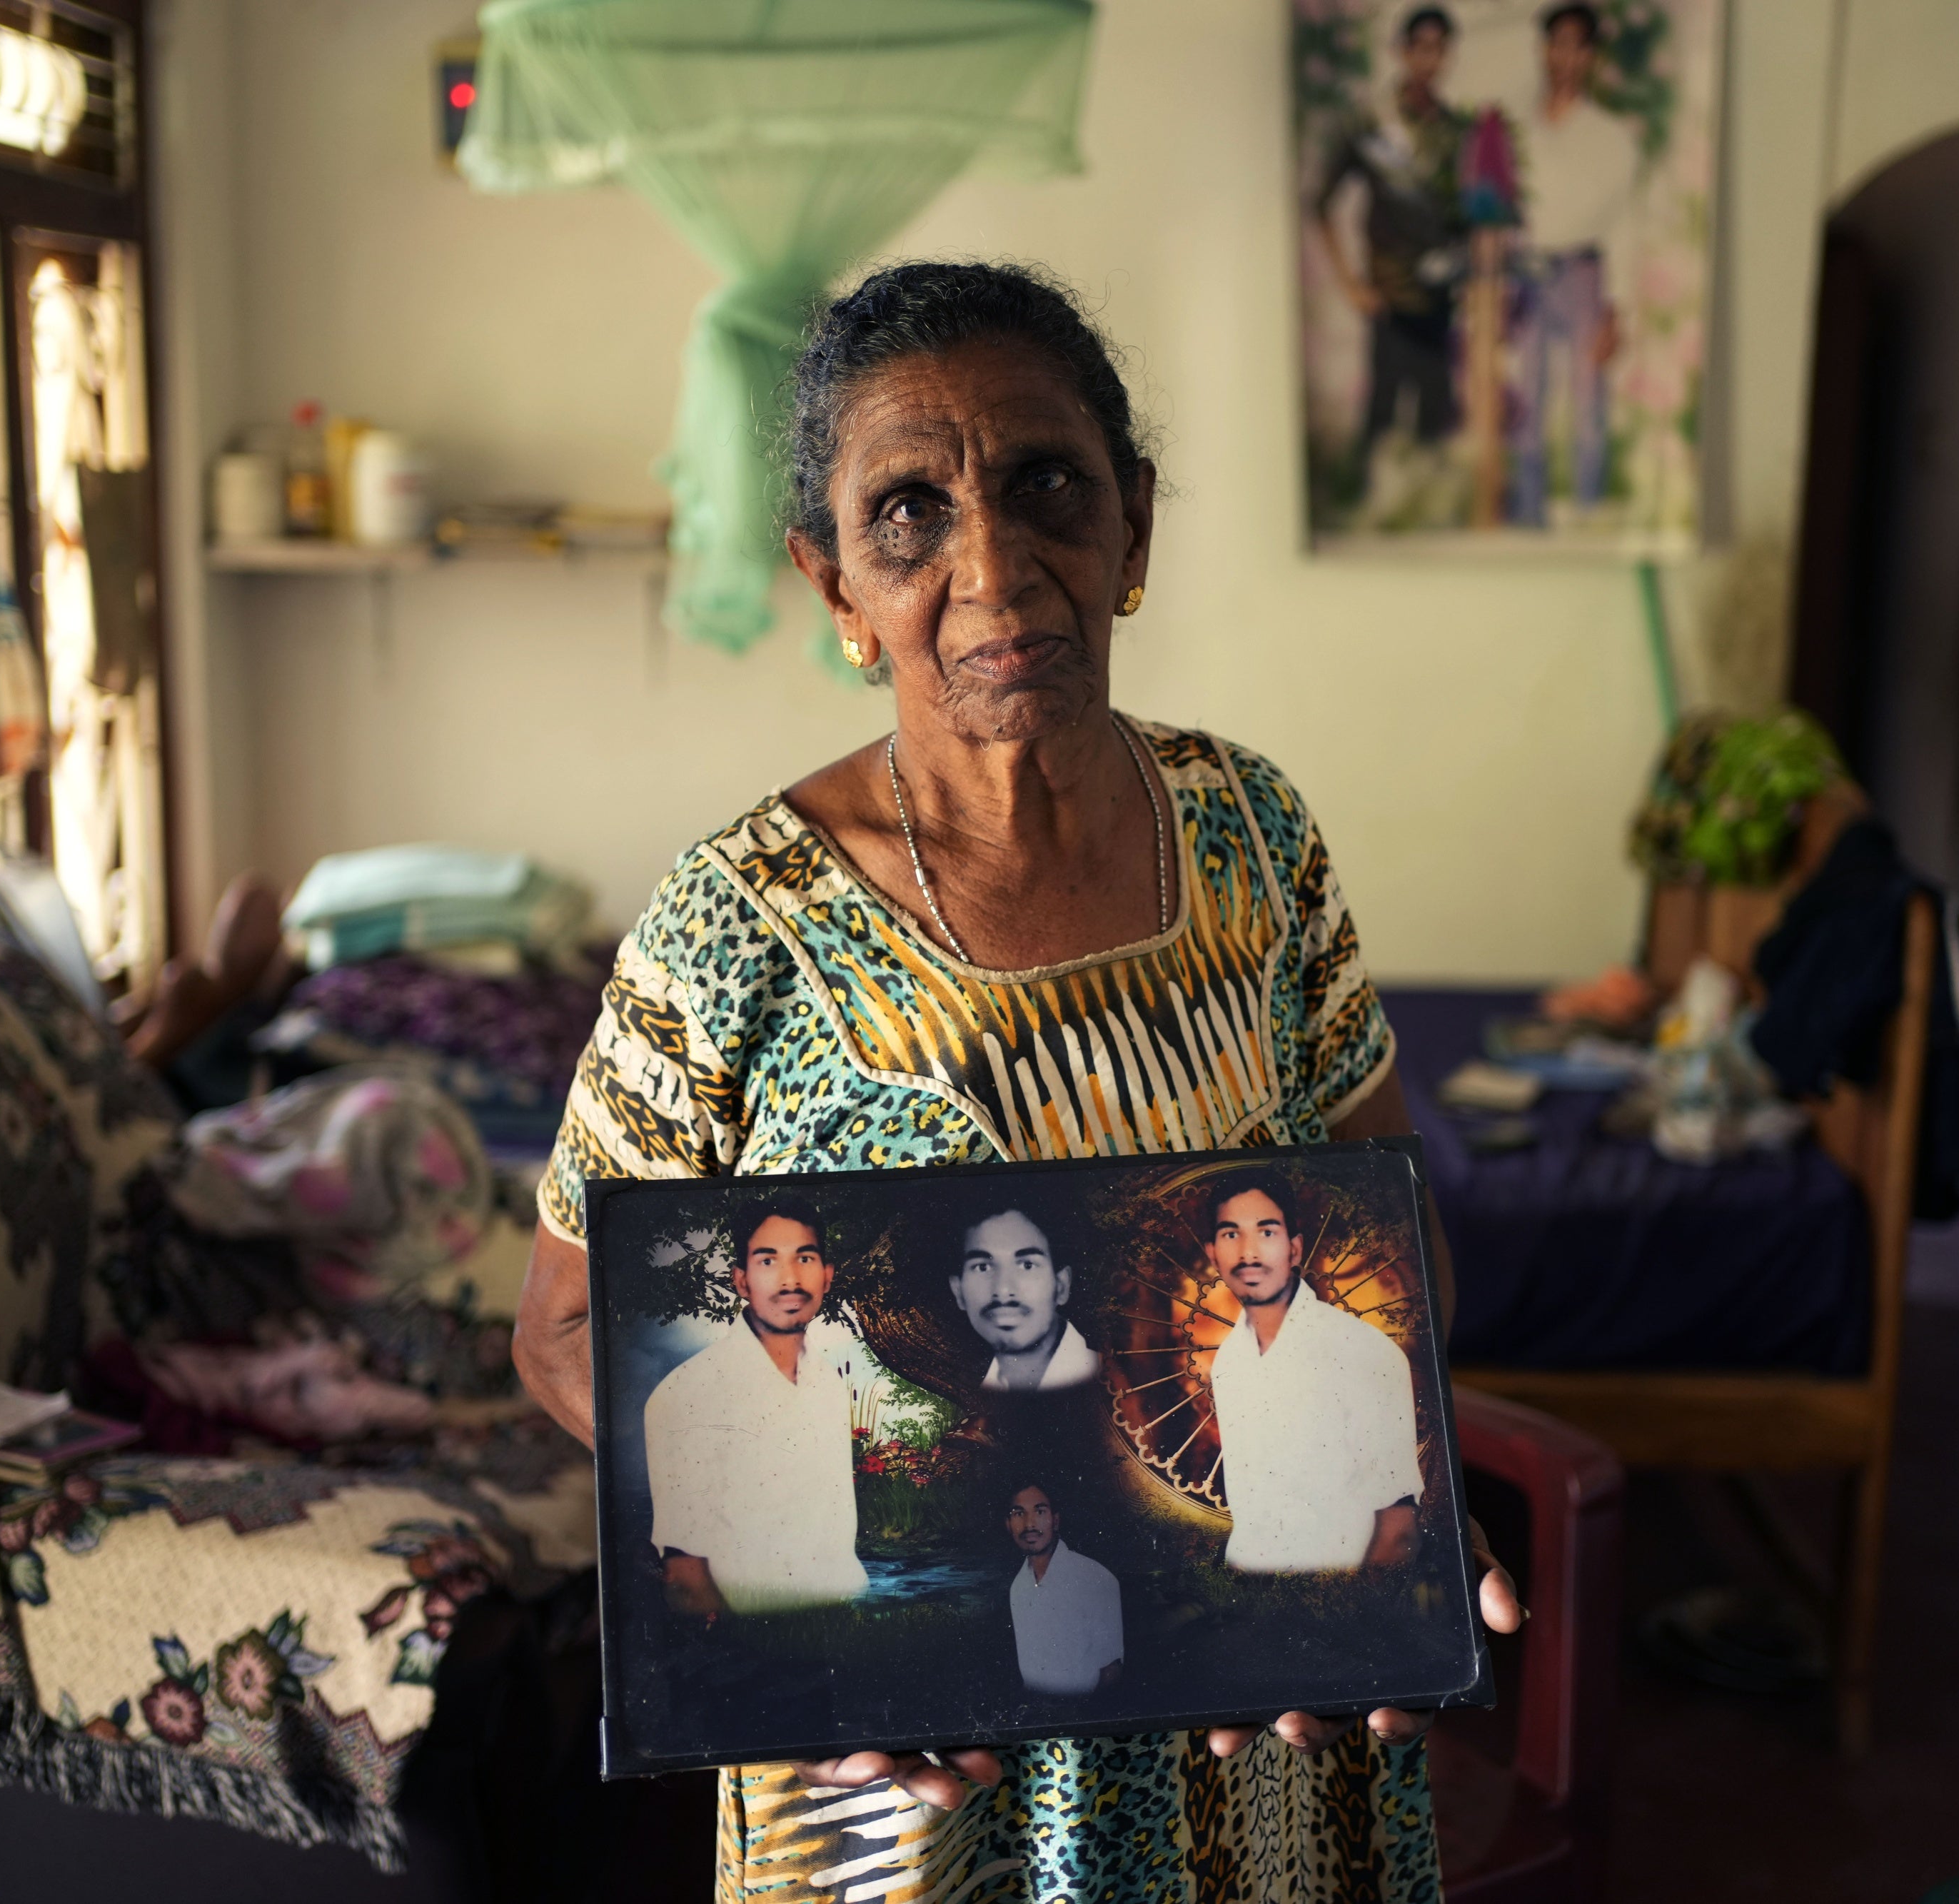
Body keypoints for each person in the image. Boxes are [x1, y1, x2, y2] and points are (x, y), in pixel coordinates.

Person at [515, 260, 1519, 1903]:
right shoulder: (733, 923)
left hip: (1257, 1712)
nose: (990, 568)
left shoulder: (1253, 835)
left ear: (1133, 527)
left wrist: (1373, 1516)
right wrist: (804, 1603)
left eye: (1047, 485)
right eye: (908, 512)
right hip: (906, 1751)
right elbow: (565, 1330)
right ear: (835, 586)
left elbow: (1386, 1253)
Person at [638, 1199, 870, 1619]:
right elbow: (684, 1572)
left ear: (827, 1276)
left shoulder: (828, 1384)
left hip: (843, 1618)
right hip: (752, 1631)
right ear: (742, 1281)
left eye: (805, 1258)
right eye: (768, 1261)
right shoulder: (686, 1393)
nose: (790, 1279)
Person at [1200, 1172, 1424, 1573]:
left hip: (1339, 1593)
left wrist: (1352, 1607)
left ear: (1295, 1249)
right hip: (1251, 1588)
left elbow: (1398, 1528)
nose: (1249, 1252)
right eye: (1231, 1234)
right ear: (1213, 1254)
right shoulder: (1230, 1360)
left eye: (1267, 1232)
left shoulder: (1364, 1351)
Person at [1311, 6, 1475, 461]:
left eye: (1438, 49)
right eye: (1420, 47)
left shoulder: (1454, 131)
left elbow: (1466, 215)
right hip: (1387, 296)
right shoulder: (1372, 123)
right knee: (1382, 418)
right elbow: (1321, 204)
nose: (1429, 59)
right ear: (1402, 52)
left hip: (1441, 299)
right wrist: (1350, 284)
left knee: (1435, 419)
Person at [1506, 0, 1640, 524]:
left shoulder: (1610, 136)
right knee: (1527, 401)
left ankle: (1589, 514)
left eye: (1578, 47)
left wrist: (1616, 310)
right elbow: (1505, 211)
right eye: (1557, 44)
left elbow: (1624, 223)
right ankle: (1527, 515)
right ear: (1544, 50)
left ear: (1591, 57)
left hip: (1583, 274)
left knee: (1588, 404)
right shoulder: (1517, 131)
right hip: (1527, 272)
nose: (1566, 57)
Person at [946, 1199, 1100, 1391]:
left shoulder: (1112, 1381)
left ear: (1061, 1285)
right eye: (982, 1267)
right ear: (958, 1291)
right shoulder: (977, 1398)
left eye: (1027, 1265)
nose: (1003, 1290)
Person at [1004, 1482, 1122, 1696]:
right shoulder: (1018, 1586)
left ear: (1056, 1521)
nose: (1029, 1524)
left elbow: (1111, 1670)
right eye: (1019, 1514)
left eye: (1040, 1512)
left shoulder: (1095, 1578)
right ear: (1008, 1524)